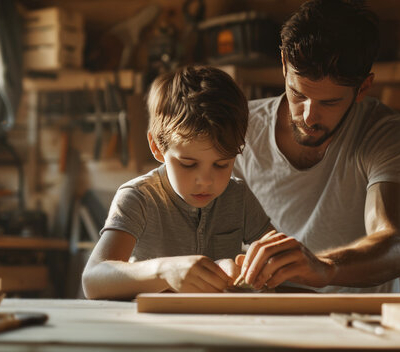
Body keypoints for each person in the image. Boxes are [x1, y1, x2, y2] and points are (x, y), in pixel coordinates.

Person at [232, 0, 400, 293]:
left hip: (362, 324)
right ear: (284, 65)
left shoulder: (381, 129)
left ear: (363, 88)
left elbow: (397, 247)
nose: (308, 116)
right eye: (299, 94)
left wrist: (325, 268)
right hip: (270, 318)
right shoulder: (240, 129)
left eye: (329, 102)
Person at [82, 66, 273, 300]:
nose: (206, 180)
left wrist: (250, 269)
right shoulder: (138, 198)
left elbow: (276, 260)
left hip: (222, 327)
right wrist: (164, 272)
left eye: (221, 164)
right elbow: (92, 280)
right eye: (188, 164)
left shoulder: (238, 197)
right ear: (157, 147)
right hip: (153, 329)